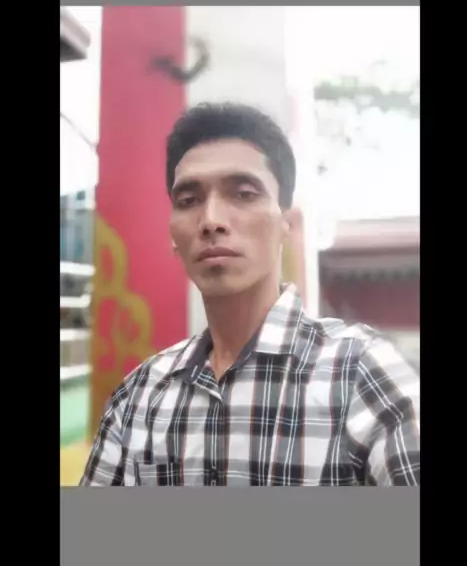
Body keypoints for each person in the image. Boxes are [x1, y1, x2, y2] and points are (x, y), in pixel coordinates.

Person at [80, 102, 420, 487]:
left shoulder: (363, 377)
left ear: (286, 223)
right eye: (188, 201)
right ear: (174, 236)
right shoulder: (138, 397)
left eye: (243, 194)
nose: (211, 220)